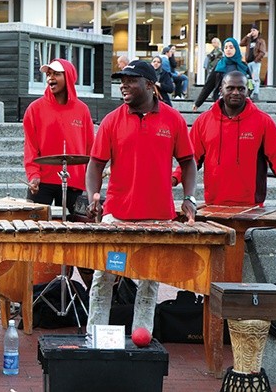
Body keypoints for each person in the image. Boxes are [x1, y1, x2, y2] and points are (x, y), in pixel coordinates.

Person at [84, 59, 198, 334]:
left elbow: (188, 162)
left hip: (157, 216)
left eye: (130, 80)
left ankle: (142, 336)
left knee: (149, 282)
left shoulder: (173, 120)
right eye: (121, 81)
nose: (123, 85)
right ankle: (94, 335)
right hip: (117, 216)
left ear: (149, 85)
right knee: (104, 277)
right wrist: (93, 196)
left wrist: (189, 197)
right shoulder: (112, 120)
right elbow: (95, 164)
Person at [173, 71, 276, 207]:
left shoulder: (263, 121)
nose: (236, 92)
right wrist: (175, 177)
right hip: (213, 204)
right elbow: (190, 158)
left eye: (241, 88)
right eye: (230, 88)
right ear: (221, 90)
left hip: (251, 205)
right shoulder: (203, 121)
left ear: (247, 91)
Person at [23, 58, 95, 289]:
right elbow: (30, 147)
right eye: (48, 74)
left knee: (85, 236)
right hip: (42, 181)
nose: (50, 78)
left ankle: (92, 295)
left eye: (56, 74)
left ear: (69, 77)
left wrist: (92, 184)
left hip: (76, 183)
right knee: (31, 234)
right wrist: (33, 174)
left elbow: (91, 149)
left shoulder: (82, 110)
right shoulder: (35, 109)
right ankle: (26, 292)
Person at [192, 37, 250, 112]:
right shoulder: (219, 65)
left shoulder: (243, 65)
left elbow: (250, 83)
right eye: (226, 48)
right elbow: (209, 86)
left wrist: (248, 95)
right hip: (222, 102)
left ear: (236, 49)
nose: (228, 50)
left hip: (241, 102)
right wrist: (197, 103)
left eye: (231, 47)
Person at [241, 23, 267, 101]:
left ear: (258, 31)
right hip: (248, 62)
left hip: (255, 62)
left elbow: (262, 52)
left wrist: (256, 60)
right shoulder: (249, 40)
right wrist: (247, 36)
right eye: (251, 30)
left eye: (254, 30)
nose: (252, 32)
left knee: (255, 78)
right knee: (249, 79)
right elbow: (241, 43)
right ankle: (250, 92)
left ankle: (256, 93)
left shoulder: (260, 41)